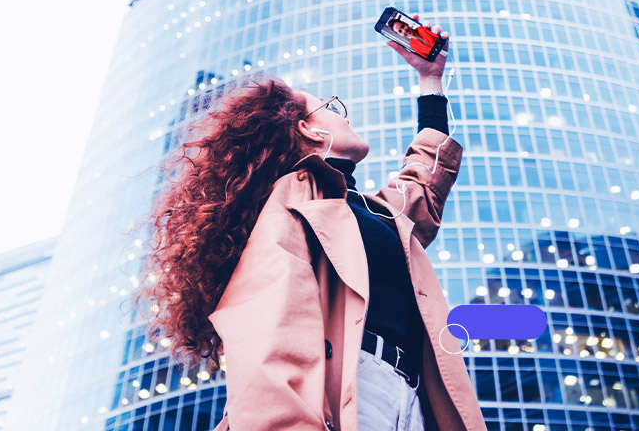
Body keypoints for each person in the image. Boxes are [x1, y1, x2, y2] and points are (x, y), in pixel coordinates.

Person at [138, 22, 485, 430]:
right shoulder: (290, 201)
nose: (345, 115)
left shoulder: (370, 211)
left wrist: (430, 80)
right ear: (309, 129)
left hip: (408, 396)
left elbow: (423, 183)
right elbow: (271, 336)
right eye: (332, 107)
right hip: (348, 391)